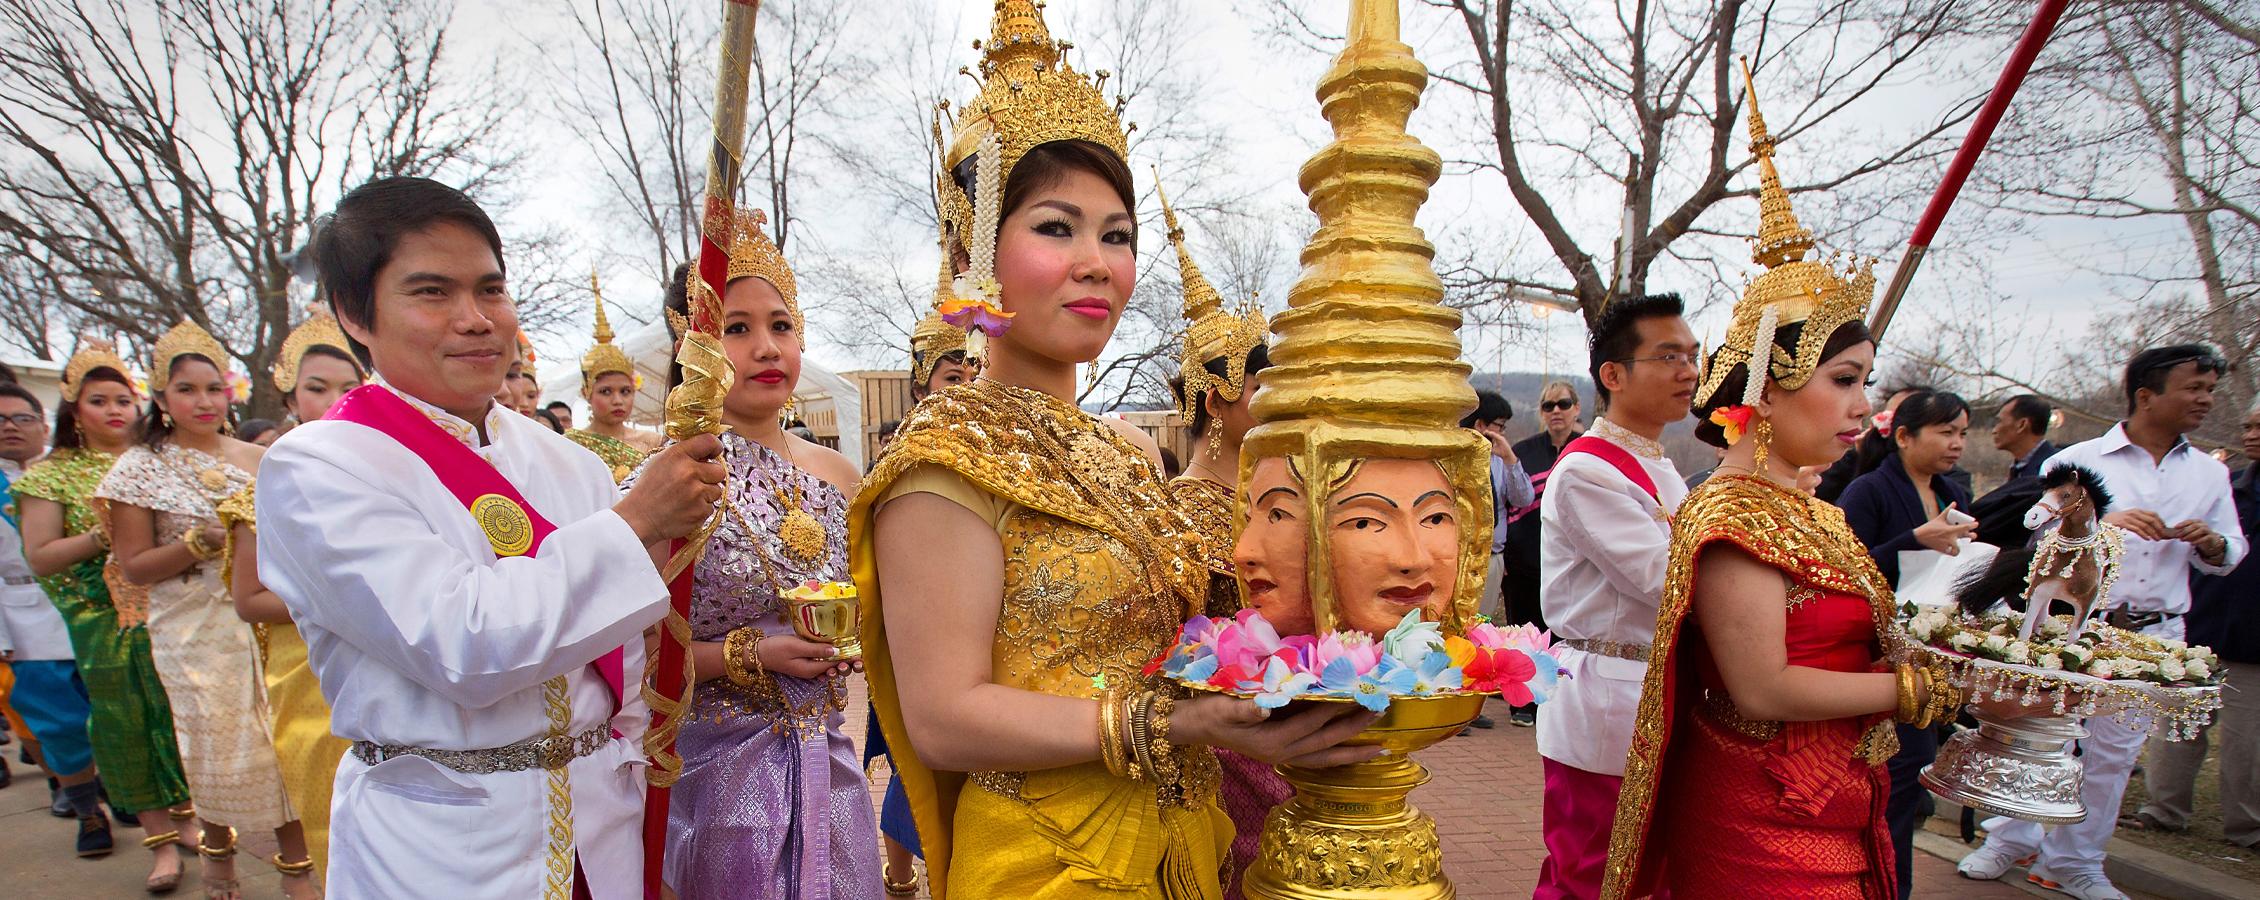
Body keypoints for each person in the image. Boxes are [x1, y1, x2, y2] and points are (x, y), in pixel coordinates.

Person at [852, 11, 1374, 897]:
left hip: (1179, 844)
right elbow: (944, 719)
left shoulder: (1130, 451)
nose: (1097, 262)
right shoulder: (941, 464)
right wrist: (1180, 723)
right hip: (1047, 859)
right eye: (1057, 227)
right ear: (968, 251)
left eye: (1117, 234)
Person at [255, 175, 724, 896]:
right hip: (444, 846)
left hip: (605, 831)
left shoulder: (567, 462)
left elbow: (622, 662)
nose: (476, 319)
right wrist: (635, 526)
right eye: (432, 292)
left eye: (491, 289)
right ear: (354, 312)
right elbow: (465, 645)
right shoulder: (317, 468)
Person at [1606, 75, 1968, 900]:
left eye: (1865, 381)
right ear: (1766, 390)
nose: (1862, 406)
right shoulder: (1733, 516)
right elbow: (1762, 683)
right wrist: (1919, 687)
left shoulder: (1810, 510)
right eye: (1843, 380)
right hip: (1761, 812)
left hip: (1839, 788)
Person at [628, 209, 880, 899]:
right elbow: (630, 657)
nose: (767, 348)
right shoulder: (667, 483)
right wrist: (750, 656)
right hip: (720, 781)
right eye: (736, 329)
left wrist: (852, 647)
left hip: (829, 762)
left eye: (781, 325)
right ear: (693, 349)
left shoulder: (838, 475)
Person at [1958, 344, 2245, 899]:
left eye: (2210, 389)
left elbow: (2231, 548)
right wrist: (2099, 521)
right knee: (2039, 738)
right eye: (2194, 388)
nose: (2205, 400)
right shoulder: (2081, 460)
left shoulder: (2208, 474)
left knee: (2114, 755)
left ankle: (2077, 861)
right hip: (2072, 627)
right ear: (2146, 395)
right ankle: (2010, 836)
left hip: (2152, 633)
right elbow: (2035, 533)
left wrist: (2212, 543)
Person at [96, 320, 306, 900]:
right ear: (160, 398)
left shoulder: (259, 458)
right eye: (187, 390)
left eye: (214, 389)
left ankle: (298, 870)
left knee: (281, 734)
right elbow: (133, 566)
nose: (204, 401)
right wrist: (202, 541)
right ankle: (217, 853)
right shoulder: (139, 469)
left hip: (265, 612)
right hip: (191, 624)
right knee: (216, 743)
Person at [1531, 292, 1695, 900]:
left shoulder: (1657, 462)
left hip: (1655, 683)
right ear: (1613, 375)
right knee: (1589, 872)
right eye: (1669, 356)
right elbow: (1668, 579)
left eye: (1693, 355)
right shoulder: (1588, 471)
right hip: (1609, 688)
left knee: (1647, 871)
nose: (1688, 371)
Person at [15, 341, 195, 892]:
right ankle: (159, 841)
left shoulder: (163, 463)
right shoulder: (49, 476)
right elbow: (41, 556)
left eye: (124, 399)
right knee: (124, 725)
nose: (116, 411)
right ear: (74, 411)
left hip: (175, 609)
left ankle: (190, 818)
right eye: (100, 400)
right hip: (103, 619)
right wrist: (105, 535)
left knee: (181, 719)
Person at [1155, 179, 1287, 899]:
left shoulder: (1280, 497)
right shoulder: (1176, 510)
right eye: (1261, 388)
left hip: (1296, 713)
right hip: (1221, 742)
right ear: (1217, 399)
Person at [217, 311, 365, 888]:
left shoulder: (404, 475)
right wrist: (354, 603)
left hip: (404, 673)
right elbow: (250, 599)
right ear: (289, 397)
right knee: (335, 817)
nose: (333, 400)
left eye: (348, 388)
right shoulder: (266, 484)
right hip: (309, 677)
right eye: (316, 388)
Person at [1834, 388, 1976, 900]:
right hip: (1875, 659)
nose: (1955, 443)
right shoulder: (1868, 490)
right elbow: (1844, 571)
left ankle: (1893, 887)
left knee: (1909, 784)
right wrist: (1912, 540)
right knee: (1885, 787)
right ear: (1903, 436)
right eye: (1944, 431)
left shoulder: (1955, 493)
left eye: (1961, 433)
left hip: (1929, 656)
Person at [2140, 396, 2260, 847]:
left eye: (2259, 426)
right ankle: (2163, 808)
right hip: (2203, 626)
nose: (2251, 434)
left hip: (2254, 639)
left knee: (2247, 740)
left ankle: (2246, 825)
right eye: (2248, 426)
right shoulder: (2232, 486)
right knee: (2179, 726)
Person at [0, 382, 113, 857]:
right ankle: (86, 810)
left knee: (115, 715)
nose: (10, 427)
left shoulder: (78, 470)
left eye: (21, 417)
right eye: (0, 420)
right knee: (59, 725)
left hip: (97, 612)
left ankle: (126, 791)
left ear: (44, 423)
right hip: (26, 622)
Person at [567, 280, 661, 482]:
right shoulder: (572, 446)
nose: (617, 400)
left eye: (625, 391)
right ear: (587, 393)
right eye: (606, 392)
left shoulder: (652, 442)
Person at [1462, 389, 1534, 627]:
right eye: (1500, 426)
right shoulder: (1456, 457)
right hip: (1458, 556)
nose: (1502, 432)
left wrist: (1510, 459)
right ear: (1481, 424)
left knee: (1480, 626)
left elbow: (1524, 498)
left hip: (1492, 557)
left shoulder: (1500, 460)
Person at [1968, 394, 2060, 548]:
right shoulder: (2020, 467)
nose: (1994, 430)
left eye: (1999, 421)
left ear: (2022, 424)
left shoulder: (2051, 471)